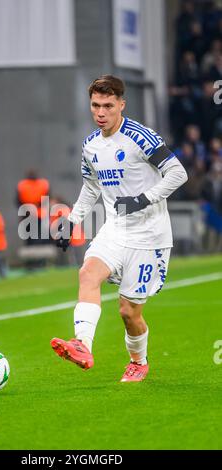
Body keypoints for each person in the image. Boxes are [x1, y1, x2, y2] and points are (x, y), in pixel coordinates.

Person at [50, 75, 188, 382]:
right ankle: (82, 345)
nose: (101, 112)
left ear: (121, 105)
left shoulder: (140, 137)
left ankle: (139, 361)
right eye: (95, 105)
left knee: (129, 313)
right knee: (87, 273)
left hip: (150, 236)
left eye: (108, 106)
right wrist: (72, 220)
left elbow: (178, 173)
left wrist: (144, 199)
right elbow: (90, 187)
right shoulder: (90, 147)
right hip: (115, 230)